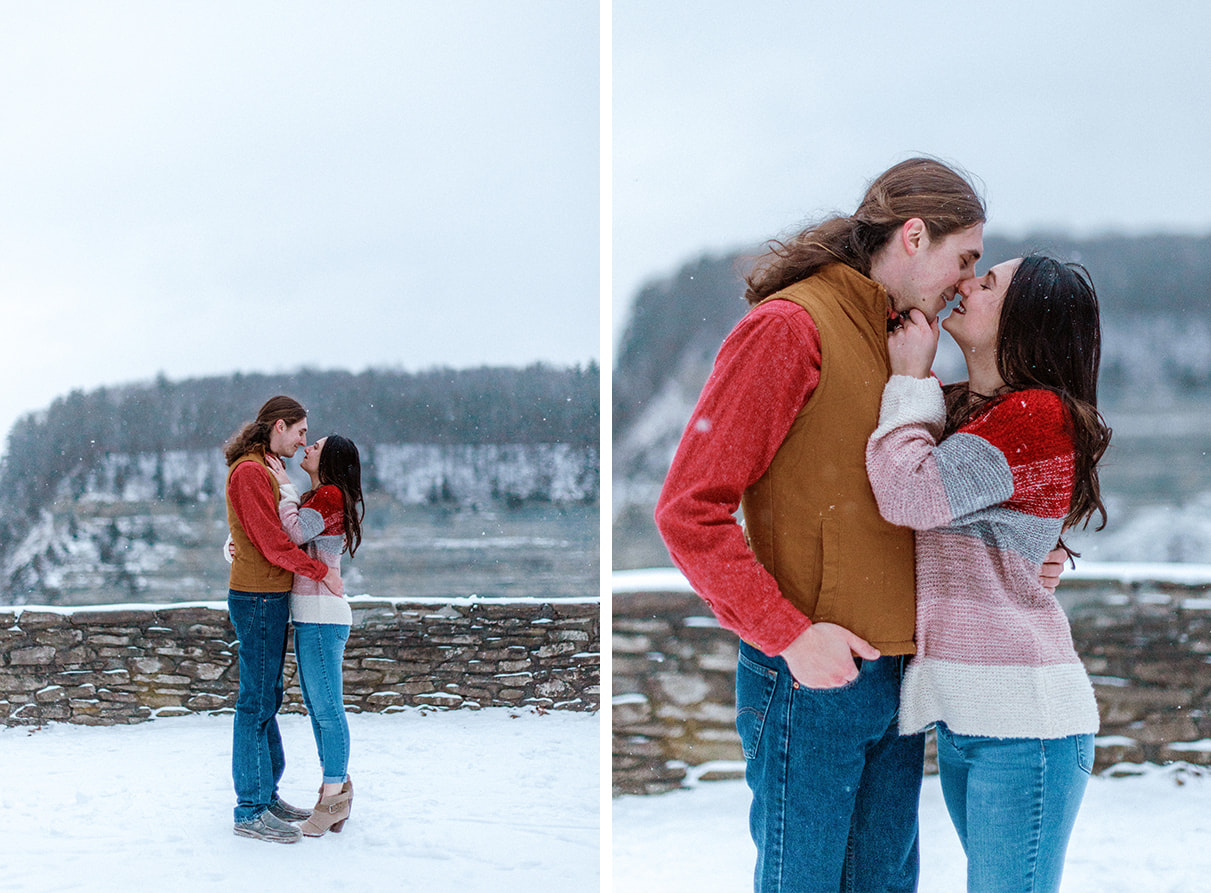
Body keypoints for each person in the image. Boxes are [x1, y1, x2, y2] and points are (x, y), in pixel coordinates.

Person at [655, 157, 991, 892]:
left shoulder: (903, 346)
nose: (966, 281)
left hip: (898, 676)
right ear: (912, 235)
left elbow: (921, 499)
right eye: (962, 257)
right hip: (811, 680)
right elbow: (688, 509)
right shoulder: (788, 327)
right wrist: (787, 633)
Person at [865, 256, 1110, 892]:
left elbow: (909, 496)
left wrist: (910, 377)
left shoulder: (1036, 418)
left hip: (1025, 723)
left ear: (1027, 318)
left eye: (990, 283)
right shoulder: (963, 413)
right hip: (968, 718)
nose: (967, 284)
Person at [224, 395, 343, 844]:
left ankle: (265, 795)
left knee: (266, 696)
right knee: (255, 701)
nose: (303, 440)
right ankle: (250, 808)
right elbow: (273, 542)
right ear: (279, 426)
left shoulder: (265, 468)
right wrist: (321, 573)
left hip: (268, 595)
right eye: (301, 432)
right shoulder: (252, 471)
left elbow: (252, 533)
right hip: (256, 597)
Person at [266, 434, 364, 837]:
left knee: (328, 711)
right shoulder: (322, 495)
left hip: (323, 615)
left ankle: (332, 797)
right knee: (319, 709)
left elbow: (290, 532)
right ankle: (335, 794)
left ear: (331, 461)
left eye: (316, 446)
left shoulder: (328, 496)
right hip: (314, 616)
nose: (307, 448)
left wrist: (284, 487)